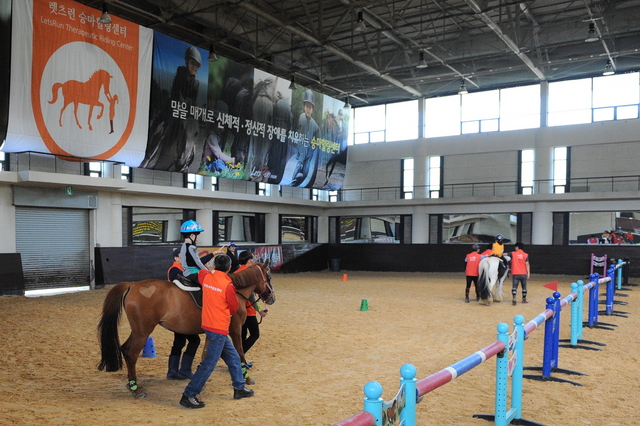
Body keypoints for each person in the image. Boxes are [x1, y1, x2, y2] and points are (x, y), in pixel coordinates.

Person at [180, 254, 254, 408]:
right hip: (219, 327)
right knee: (209, 364)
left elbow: (200, 273)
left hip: (208, 324)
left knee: (233, 357)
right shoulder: (228, 285)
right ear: (229, 268)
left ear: (215, 266)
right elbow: (234, 308)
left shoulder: (206, 276)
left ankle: (239, 387)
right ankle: (189, 394)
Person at [166, 247, 213, 380]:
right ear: (176, 258)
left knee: (179, 342)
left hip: (181, 310)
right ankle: (184, 370)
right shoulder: (174, 270)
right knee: (194, 340)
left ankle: (173, 371)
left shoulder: (179, 268)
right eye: (182, 256)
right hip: (180, 311)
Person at [237, 251, 268, 366]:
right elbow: (250, 295)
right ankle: (237, 358)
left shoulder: (236, 272)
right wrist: (259, 309)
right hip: (248, 310)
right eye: (252, 260)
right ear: (249, 261)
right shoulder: (250, 274)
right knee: (255, 334)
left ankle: (240, 360)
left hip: (237, 310)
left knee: (241, 336)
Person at [292, 89, 321, 187]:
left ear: (312, 109)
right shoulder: (301, 117)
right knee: (301, 159)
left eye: (310, 107)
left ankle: (302, 179)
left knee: (307, 165)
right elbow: (301, 131)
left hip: (310, 147)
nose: (308, 109)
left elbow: (318, 134)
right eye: (307, 106)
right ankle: (294, 177)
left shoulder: (314, 124)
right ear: (304, 107)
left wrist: (314, 144)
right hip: (302, 144)